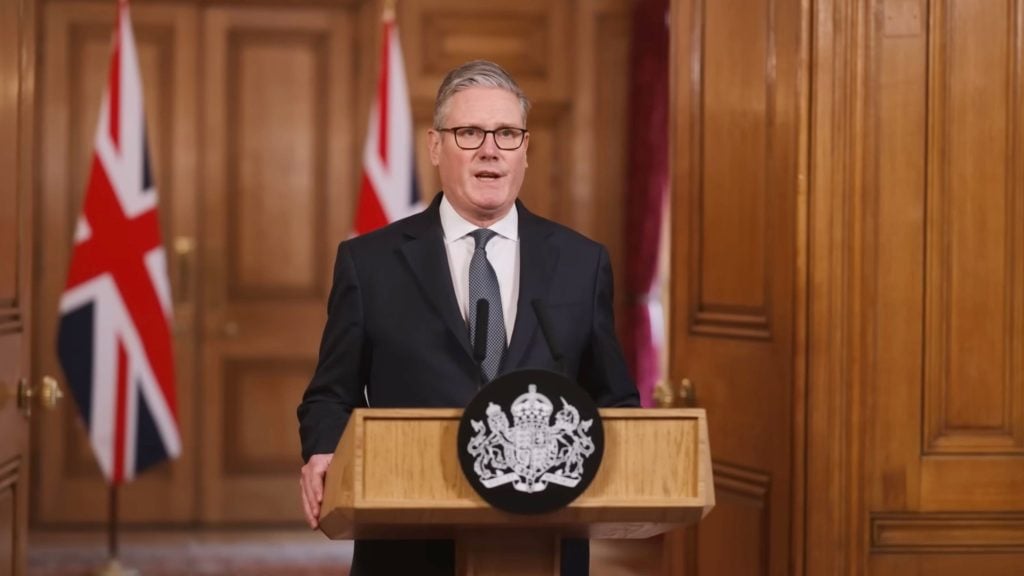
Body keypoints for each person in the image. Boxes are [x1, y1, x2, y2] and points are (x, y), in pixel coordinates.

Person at [297, 59, 639, 576]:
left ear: (526, 149)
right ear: (435, 146)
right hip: (408, 541)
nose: (490, 150)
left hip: (543, 535)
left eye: (506, 133)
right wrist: (325, 450)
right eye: (470, 132)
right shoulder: (369, 263)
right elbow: (331, 392)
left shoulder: (582, 262)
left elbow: (613, 397)